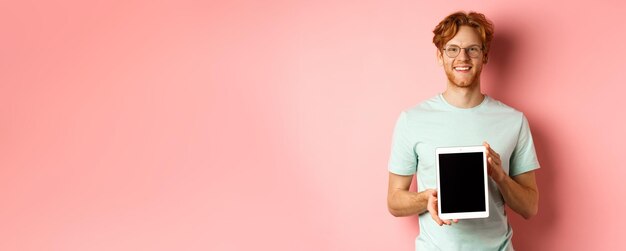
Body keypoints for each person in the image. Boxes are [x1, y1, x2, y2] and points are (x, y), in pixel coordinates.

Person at [386, 11, 540, 250]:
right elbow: (394, 200)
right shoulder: (412, 120)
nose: (463, 57)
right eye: (453, 49)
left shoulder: (514, 121)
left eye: (472, 49)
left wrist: (500, 177)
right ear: (440, 56)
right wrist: (425, 198)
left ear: (485, 56)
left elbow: (530, 207)